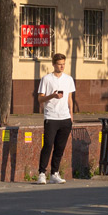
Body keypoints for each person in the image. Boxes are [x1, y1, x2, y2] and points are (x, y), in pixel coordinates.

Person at [36, 53, 75, 184]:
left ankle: (54, 173)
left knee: (60, 147)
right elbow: (40, 99)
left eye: (63, 64)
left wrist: (71, 115)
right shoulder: (46, 79)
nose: (62, 66)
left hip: (65, 117)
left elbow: (69, 98)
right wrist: (52, 96)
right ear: (53, 64)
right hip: (51, 117)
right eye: (59, 64)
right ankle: (42, 173)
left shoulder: (68, 79)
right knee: (48, 144)